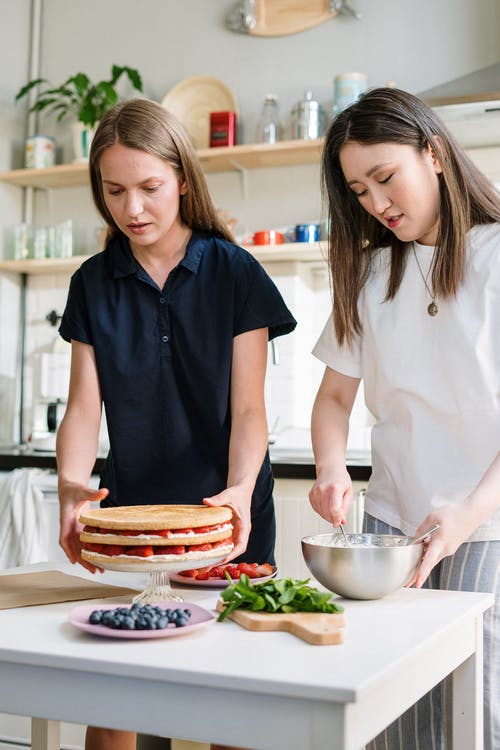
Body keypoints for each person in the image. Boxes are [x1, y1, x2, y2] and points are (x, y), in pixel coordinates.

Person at [56, 98, 296, 750]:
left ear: (183, 179)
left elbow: (249, 408)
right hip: (131, 518)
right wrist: (71, 489)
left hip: (228, 514)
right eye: (114, 191)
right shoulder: (92, 283)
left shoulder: (235, 272)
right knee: (116, 701)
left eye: (150, 187)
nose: (132, 208)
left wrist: (241, 491)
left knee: (232, 700)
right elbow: (83, 408)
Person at [309, 87, 499, 750]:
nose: (377, 204)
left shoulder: (496, 257)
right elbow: (334, 399)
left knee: (477, 713)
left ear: (436, 153)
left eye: (385, 178)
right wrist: (331, 468)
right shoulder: (369, 273)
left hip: (485, 528)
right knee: (395, 717)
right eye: (358, 191)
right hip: (392, 528)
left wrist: (469, 512)